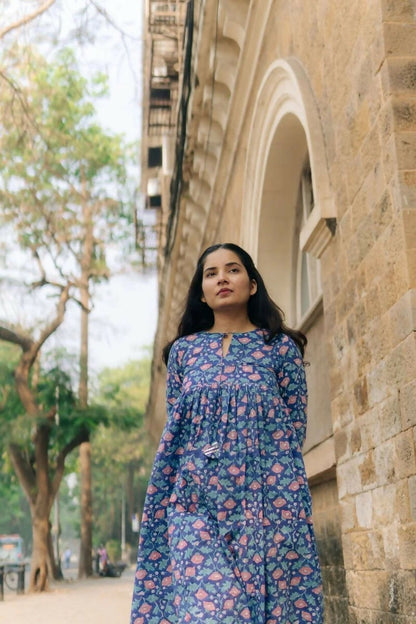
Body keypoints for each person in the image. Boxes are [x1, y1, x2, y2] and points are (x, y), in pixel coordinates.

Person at [131, 243, 323, 624]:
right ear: (201, 293)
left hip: (266, 502)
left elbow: (293, 426)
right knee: (214, 610)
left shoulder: (278, 348)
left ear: (252, 285)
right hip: (195, 499)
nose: (221, 278)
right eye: (211, 273)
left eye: (232, 270)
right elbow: (179, 428)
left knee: (266, 608)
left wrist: (267, 479)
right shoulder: (184, 353)